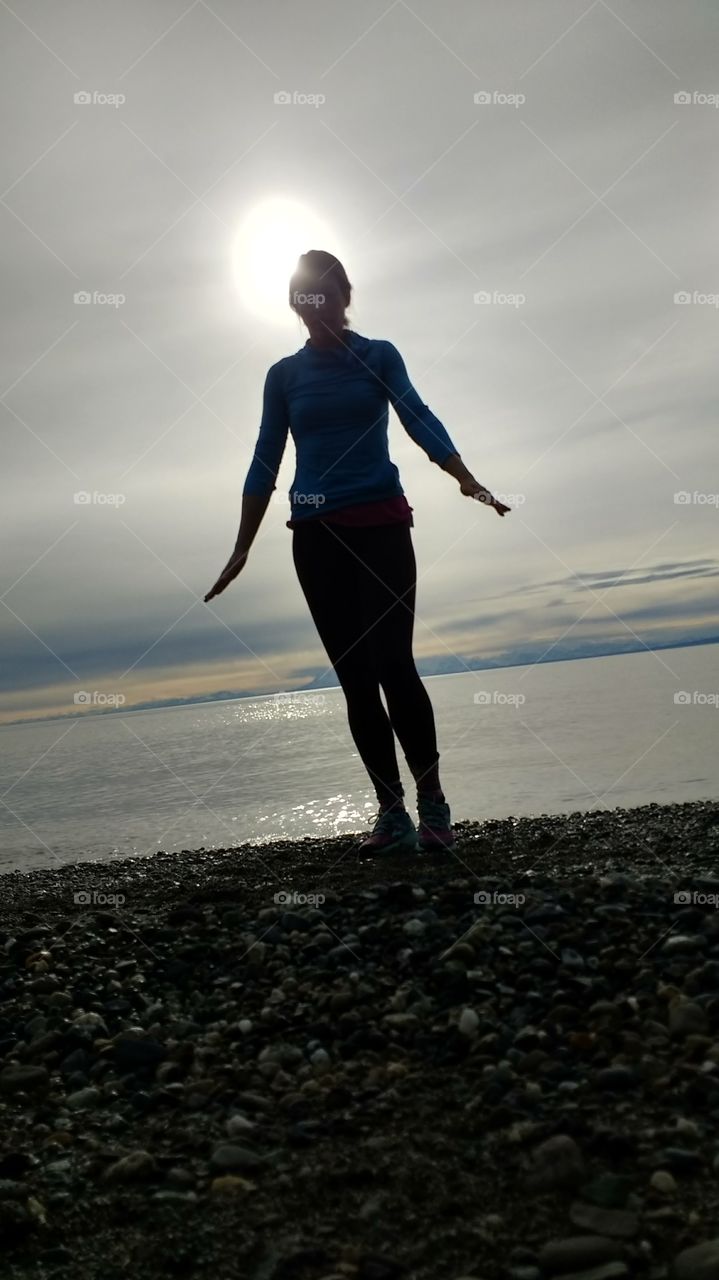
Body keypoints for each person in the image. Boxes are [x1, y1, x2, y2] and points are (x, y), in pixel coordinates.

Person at [205, 250, 510, 855]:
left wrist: (465, 477)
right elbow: (266, 457)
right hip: (316, 535)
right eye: (302, 295)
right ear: (295, 305)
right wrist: (242, 544)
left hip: (381, 525)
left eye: (323, 291)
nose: (313, 303)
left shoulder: (378, 355)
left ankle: (434, 805)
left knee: (395, 664)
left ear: (345, 295)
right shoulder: (283, 377)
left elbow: (417, 415)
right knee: (355, 680)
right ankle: (391, 814)